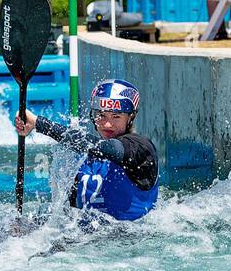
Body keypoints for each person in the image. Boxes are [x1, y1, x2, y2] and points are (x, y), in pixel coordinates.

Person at [14, 79, 159, 221]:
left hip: (131, 236)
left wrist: (39, 123)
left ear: (130, 117)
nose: (107, 124)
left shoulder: (140, 148)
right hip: (89, 238)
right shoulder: (82, 160)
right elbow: (68, 214)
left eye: (116, 116)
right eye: (101, 115)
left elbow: (107, 148)